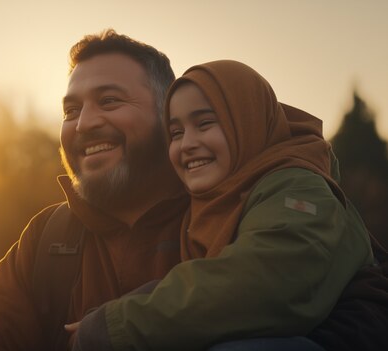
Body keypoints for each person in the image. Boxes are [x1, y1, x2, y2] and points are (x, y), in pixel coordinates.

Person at [68, 60, 375, 350]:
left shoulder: (297, 184)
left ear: (247, 122)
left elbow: (266, 284)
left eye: (205, 123)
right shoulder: (211, 205)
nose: (187, 143)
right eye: (176, 133)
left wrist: (115, 325)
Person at [0, 29, 189, 350]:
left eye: (109, 101)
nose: (84, 124)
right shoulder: (48, 238)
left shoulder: (224, 215)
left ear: (168, 116)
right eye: (71, 111)